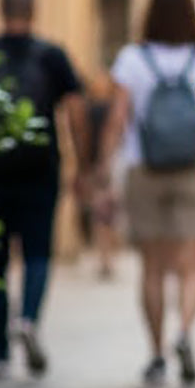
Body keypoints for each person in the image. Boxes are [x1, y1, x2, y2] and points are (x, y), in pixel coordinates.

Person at [104, 0, 195, 387]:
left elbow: (117, 118)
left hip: (144, 169)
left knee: (151, 267)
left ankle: (156, 354)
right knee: (193, 265)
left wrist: (103, 169)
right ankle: (184, 332)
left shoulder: (132, 59)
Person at [0, 0, 85, 380]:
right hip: (41, 169)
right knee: (38, 253)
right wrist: (82, 163)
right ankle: (27, 320)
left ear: (1, 8)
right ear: (33, 9)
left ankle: (0, 352)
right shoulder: (52, 56)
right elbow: (75, 111)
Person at [79, 70, 121, 281]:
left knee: (101, 215)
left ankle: (105, 257)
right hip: (113, 165)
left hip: (98, 166)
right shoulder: (115, 108)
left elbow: (84, 139)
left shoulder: (89, 110)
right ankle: (108, 257)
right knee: (109, 215)